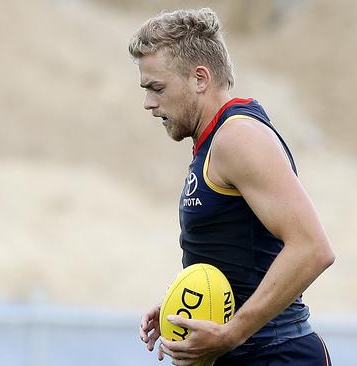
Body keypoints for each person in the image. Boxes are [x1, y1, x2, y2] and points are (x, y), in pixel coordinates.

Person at [129, 8, 335, 366]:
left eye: (157, 88)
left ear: (200, 78)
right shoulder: (214, 141)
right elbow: (238, 255)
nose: (149, 102)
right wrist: (187, 301)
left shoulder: (238, 138)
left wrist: (232, 332)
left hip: (274, 355)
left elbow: (312, 249)